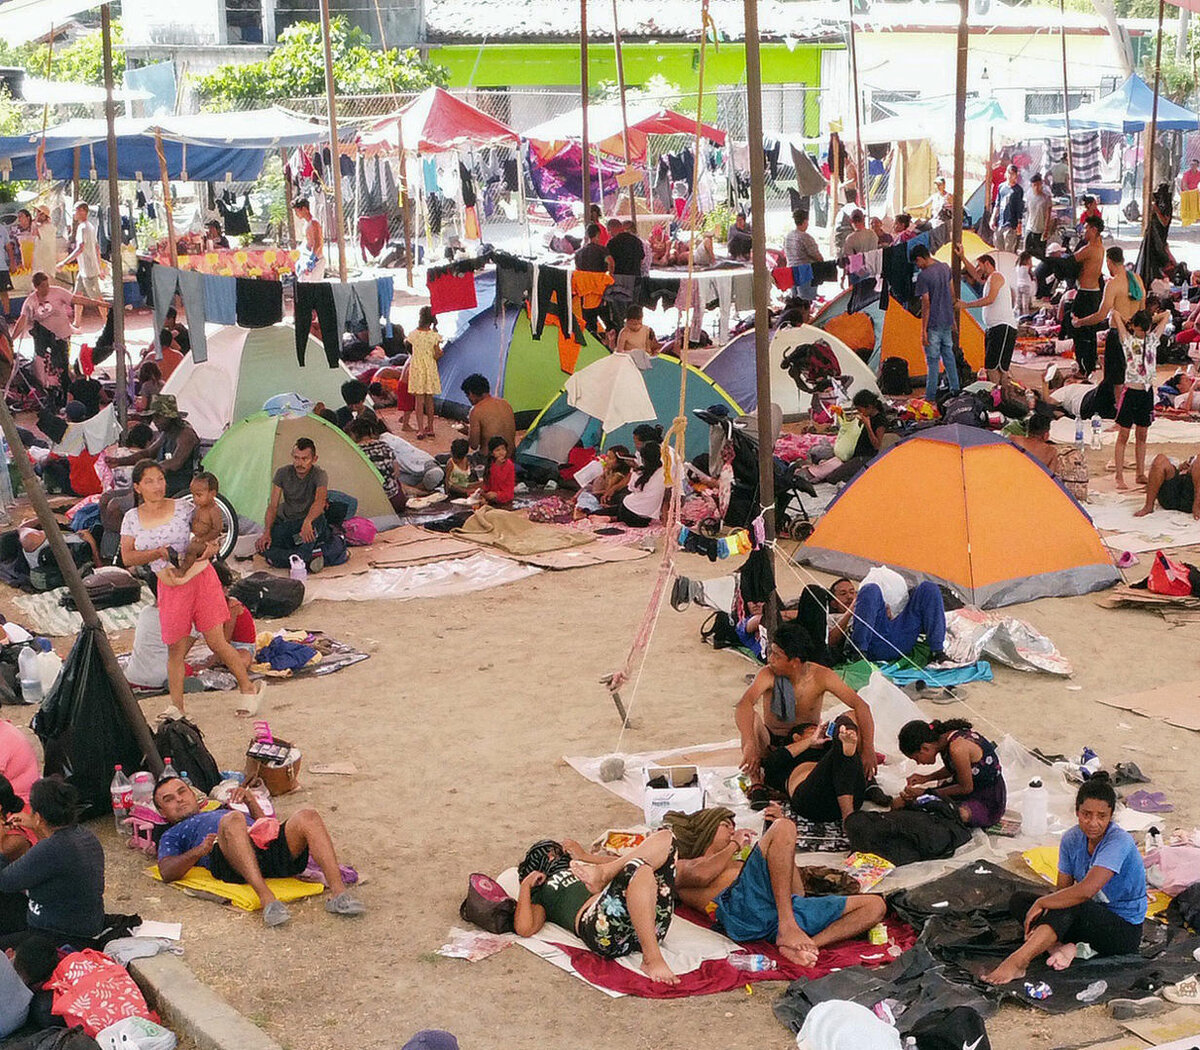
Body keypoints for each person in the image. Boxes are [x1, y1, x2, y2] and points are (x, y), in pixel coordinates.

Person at [122, 460, 263, 716]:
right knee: (176, 649)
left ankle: (248, 689)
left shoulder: (183, 507)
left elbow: (212, 531)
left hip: (200, 578)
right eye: (150, 481)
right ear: (137, 487)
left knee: (216, 642)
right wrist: (157, 553)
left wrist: (212, 547)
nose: (157, 486)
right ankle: (177, 707)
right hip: (170, 584)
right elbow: (127, 557)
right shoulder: (132, 519)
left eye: (160, 479)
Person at [983, 773, 1146, 985]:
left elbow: (1086, 891)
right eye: (1086, 814)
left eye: (1101, 816)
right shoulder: (1072, 839)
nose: (1093, 823)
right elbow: (1063, 890)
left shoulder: (1118, 842)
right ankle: (1062, 946)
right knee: (1020, 900)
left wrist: (1042, 903)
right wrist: (1046, 905)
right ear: (1077, 812)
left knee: (1067, 904)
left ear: (1111, 816)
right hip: (1088, 917)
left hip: (1122, 930)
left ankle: (1018, 962)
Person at [672, 808, 886, 967]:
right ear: (706, 829)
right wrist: (735, 845)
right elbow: (702, 875)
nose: (733, 830)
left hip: (779, 912)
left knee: (875, 906)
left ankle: (808, 946)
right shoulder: (683, 865)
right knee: (784, 827)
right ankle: (788, 929)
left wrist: (784, 850)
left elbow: (797, 894)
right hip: (741, 910)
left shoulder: (738, 862)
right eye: (725, 825)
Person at [154, 776, 364, 927]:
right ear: (162, 812)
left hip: (262, 846)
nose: (179, 799)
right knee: (234, 819)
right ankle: (268, 900)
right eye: (169, 799)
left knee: (307, 816)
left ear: (193, 794)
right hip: (230, 860)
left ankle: (339, 895)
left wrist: (250, 801)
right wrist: (198, 852)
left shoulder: (219, 807)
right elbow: (166, 871)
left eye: (182, 792)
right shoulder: (172, 833)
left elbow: (266, 824)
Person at [515, 832, 678, 984]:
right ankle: (652, 958)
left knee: (667, 839)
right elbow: (524, 928)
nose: (554, 856)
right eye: (549, 855)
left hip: (650, 925)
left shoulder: (583, 868)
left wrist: (586, 857)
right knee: (637, 869)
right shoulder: (541, 892)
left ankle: (605, 874)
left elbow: (632, 859)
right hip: (605, 931)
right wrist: (526, 886)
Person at [736, 620, 878, 786]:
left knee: (852, 717)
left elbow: (861, 706)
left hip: (810, 742)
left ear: (795, 662)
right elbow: (744, 705)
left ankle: (865, 778)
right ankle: (756, 781)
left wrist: (868, 748)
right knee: (751, 719)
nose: (770, 659)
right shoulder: (767, 674)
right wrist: (750, 743)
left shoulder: (821, 675)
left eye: (777, 655)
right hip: (773, 744)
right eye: (771, 652)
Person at [0, 779, 103, 946]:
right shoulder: (84, 835)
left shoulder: (53, 848)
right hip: (80, 924)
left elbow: (4, 882)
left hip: (59, 936)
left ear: (39, 817)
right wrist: (35, 827)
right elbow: (50, 858)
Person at [896, 718, 1007, 828]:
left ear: (925, 748)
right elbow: (954, 768)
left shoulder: (957, 748)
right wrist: (926, 778)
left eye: (916, 758)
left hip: (987, 797)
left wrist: (926, 792)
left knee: (959, 814)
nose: (919, 763)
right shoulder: (944, 740)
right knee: (908, 802)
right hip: (971, 786)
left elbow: (966, 788)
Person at [760, 715, 869, 823]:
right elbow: (770, 764)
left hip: (853, 796)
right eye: (813, 730)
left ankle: (847, 744)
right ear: (797, 737)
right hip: (811, 800)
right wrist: (811, 741)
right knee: (843, 750)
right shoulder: (788, 758)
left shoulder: (829, 750)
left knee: (843, 721)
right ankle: (849, 817)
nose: (819, 732)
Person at [1111, 307, 1168, 491]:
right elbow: (1115, 313)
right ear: (1135, 326)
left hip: (1146, 392)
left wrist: (1149, 320)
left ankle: (1140, 473)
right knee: (1124, 434)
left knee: (1142, 434)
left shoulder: (1152, 339)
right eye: (1141, 328)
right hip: (1131, 391)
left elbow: (1166, 314)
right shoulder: (1127, 340)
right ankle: (1119, 476)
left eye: (1146, 328)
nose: (1144, 332)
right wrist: (1129, 321)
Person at [256, 438, 332, 572]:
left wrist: (308, 521)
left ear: (314, 459)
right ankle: (305, 557)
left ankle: (295, 557)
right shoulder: (282, 473)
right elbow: (273, 506)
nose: (299, 463)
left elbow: (319, 501)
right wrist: (267, 531)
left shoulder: (319, 474)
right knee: (265, 546)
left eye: (305, 459)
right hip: (289, 522)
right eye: (296, 458)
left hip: (310, 523)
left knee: (314, 528)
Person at [108, 394, 199, 498]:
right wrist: (119, 461)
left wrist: (151, 469)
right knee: (107, 497)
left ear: (169, 416)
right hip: (160, 485)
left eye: (158, 417)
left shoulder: (185, 434)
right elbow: (148, 453)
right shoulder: (166, 433)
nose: (155, 421)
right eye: (153, 417)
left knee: (114, 506)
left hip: (175, 488)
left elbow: (175, 462)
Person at [850, 574, 951, 667]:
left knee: (928, 588)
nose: (848, 596)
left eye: (851, 592)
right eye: (843, 593)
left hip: (901, 633)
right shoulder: (841, 615)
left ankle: (937, 652)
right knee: (870, 589)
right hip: (874, 640)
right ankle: (858, 652)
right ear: (834, 602)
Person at [959, 253, 1019, 388]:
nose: (978, 270)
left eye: (979, 266)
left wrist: (966, 305)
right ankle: (1000, 394)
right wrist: (963, 257)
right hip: (993, 327)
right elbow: (975, 274)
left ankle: (998, 395)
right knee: (992, 365)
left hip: (1003, 327)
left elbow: (990, 299)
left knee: (996, 367)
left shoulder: (997, 277)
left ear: (987, 264)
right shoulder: (989, 280)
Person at [10, 271, 78, 381]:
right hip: (43, 337)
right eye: (43, 286)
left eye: (47, 285)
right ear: (36, 287)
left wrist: (98, 303)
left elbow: (76, 299)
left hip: (62, 334)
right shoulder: (31, 301)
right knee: (43, 364)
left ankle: (66, 381)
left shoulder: (57, 292)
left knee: (63, 364)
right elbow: (22, 320)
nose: (46, 288)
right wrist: (12, 339)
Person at [913, 245, 959, 402]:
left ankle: (930, 396)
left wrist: (923, 330)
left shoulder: (924, 276)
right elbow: (952, 294)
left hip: (933, 323)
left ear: (920, 258)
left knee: (932, 362)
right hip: (946, 320)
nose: (917, 266)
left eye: (916, 262)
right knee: (949, 357)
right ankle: (955, 390)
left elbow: (926, 303)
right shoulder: (945, 268)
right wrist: (952, 318)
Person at [594, 439, 664, 527]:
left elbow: (631, 488)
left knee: (622, 504)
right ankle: (611, 518)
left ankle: (594, 514)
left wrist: (634, 468)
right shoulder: (665, 472)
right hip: (644, 519)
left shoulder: (639, 472)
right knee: (624, 507)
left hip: (627, 511)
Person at [59, 202, 106, 328]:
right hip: (85, 269)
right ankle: (77, 322)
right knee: (77, 296)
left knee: (97, 299)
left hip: (89, 269)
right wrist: (100, 267)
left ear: (82, 211)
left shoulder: (84, 228)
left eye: (75, 210)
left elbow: (80, 248)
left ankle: (108, 324)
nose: (74, 213)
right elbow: (96, 248)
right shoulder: (89, 226)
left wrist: (64, 262)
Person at [348, 417, 407, 514]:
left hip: (375, 506)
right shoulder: (385, 446)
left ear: (353, 434)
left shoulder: (354, 451)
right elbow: (396, 473)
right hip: (397, 502)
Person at [1071, 215, 1106, 378]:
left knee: (1080, 330)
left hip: (1086, 293)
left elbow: (1071, 260)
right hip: (1093, 292)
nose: (1083, 231)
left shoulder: (1090, 249)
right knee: (1089, 332)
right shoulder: (1100, 247)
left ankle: (1084, 367)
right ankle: (1089, 365)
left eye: (1086, 228)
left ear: (1094, 230)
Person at [170, 472, 224, 573]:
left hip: (208, 542)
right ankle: (179, 564)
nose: (195, 499)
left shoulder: (213, 510)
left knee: (192, 549)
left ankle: (183, 570)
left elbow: (217, 529)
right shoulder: (199, 507)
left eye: (199, 495)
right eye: (193, 495)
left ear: (212, 494)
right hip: (195, 537)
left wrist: (203, 539)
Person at [461, 374, 516, 460]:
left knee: (448, 458)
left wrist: (468, 432)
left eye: (467, 395)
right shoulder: (505, 404)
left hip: (491, 460)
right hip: (511, 457)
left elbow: (474, 445)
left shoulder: (476, 411)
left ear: (471, 393)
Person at [377, 422, 444, 492]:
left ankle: (419, 490)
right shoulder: (380, 444)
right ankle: (419, 490)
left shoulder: (385, 439)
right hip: (409, 475)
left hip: (425, 468)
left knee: (435, 475)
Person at [1137, 453, 1200, 518]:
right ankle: (1148, 506)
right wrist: (1181, 467)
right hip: (1172, 492)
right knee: (1160, 459)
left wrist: (1193, 469)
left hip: (1192, 495)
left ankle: (1197, 506)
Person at [784, 209, 823, 299]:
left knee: (795, 299)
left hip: (791, 270)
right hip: (805, 272)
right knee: (805, 300)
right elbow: (817, 256)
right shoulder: (805, 237)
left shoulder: (788, 236)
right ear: (805, 221)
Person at [992, 165, 1025, 254]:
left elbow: (1019, 208)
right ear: (1006, 174)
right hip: (1000, 223)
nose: (1010, 176)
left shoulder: (1018, 190)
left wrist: (1019, 223)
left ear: (1016, 175)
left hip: (1011, 224)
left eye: (1013, 174)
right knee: (998, 249)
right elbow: (997, 204)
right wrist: (993, 218)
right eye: (1009, 173)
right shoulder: (1001, 187)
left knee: (1009, 251)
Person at [293, 198, 325, 281]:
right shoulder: (306, 223)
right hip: (309, 257)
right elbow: (308, 241)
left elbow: (318, 243)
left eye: (297, 211)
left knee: (312, 287)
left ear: (304, 209)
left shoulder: (314, 222)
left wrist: (312, 259)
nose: (296, 214)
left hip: (316, 260)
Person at [481, 435, 515, 507]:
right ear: (492, 453)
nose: (501, 452)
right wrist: (484, 494)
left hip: (505, 497)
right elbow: (487, 483)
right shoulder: (490, 463)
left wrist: (496, 494)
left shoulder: (509, 465)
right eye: (497, 450)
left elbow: (501, 480)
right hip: (491, 496)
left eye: (503, 449)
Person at [1024, 173, 1051, 258]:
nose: (1037, 187)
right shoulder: (1029, 194)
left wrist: (1046, 229)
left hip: (1040, 229)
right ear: (1031, 186)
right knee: (1027, 252)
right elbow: (1027, 210)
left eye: (1039, 185)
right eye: (1034, 185)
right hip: (1029, 228)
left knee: (1040, 254)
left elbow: (1048, 214)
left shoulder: (1046, 197)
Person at [1014, 251, 1035, 317]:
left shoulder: (1017, 267)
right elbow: (1032, 273)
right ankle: (1026, 316)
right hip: (1026, 285)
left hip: (1018, 285)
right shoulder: (1027, 267)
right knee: (1025, 304)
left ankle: (1016, 314)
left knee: (1018, 302)